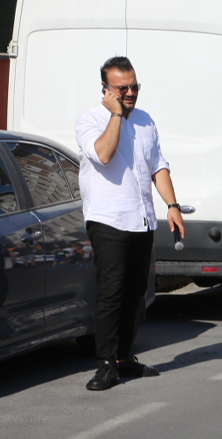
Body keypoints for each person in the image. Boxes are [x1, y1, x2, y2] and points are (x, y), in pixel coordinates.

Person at [75, 56, 185, 391]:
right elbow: (104, 154)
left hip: (141, 219)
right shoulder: (90, 120)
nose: (131, 92)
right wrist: (115, 115)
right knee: (111, 292)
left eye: (134, 86)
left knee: (136, 292)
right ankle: (105, 365)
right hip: (108, 219)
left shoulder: (146, 121)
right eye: (122, 88)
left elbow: (157, 166)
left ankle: (124, 357)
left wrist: (173, 205)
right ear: (106, 89)